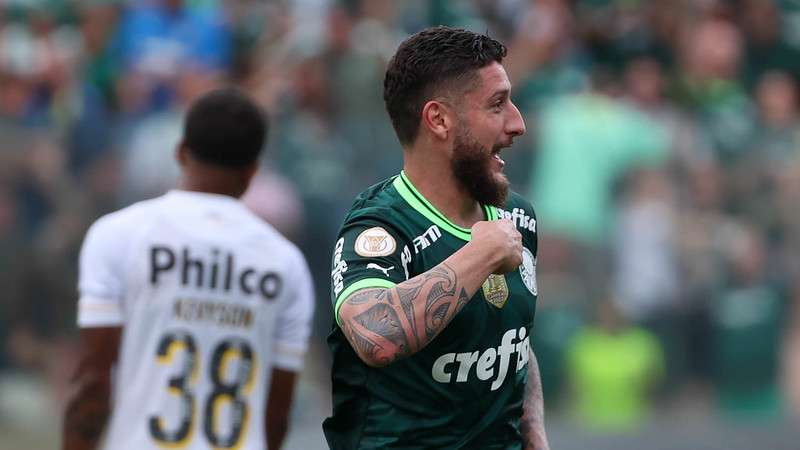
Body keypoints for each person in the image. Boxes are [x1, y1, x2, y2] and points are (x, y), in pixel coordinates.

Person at [323, 26, 550, 449]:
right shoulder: (380, 228)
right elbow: (375, 336)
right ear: (439, 119)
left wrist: (533, 432)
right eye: (497, 104)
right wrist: (479, 254)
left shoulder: (517, 216)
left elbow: (515, 342)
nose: (518, 123)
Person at [62, 88, 315, 450]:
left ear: (180, 153)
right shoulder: (286, 264)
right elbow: (277, 410)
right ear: (252, 172)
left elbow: (93, 380)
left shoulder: (119, 235)